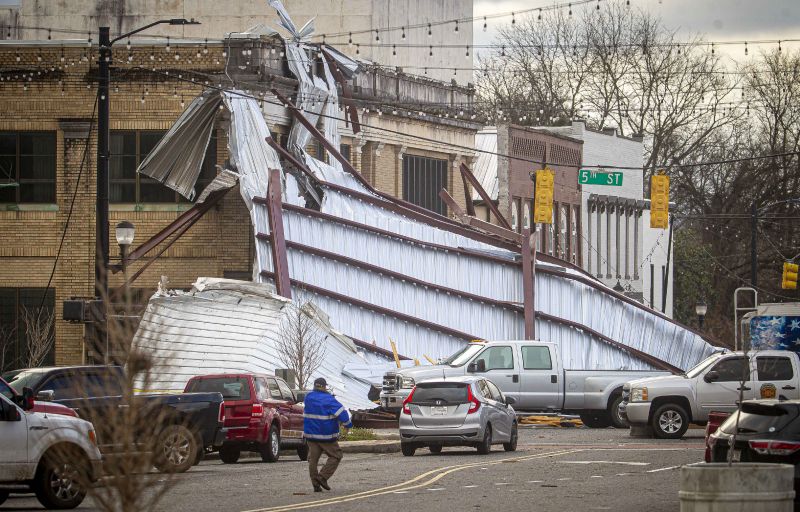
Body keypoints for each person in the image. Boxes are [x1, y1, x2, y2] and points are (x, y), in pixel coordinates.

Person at [303, 377, 352, 492]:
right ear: (324, 387)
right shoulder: (328, 399)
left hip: (310, 435)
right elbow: (342, 413)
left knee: (313, 459)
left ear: (315, 386)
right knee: (336, 455)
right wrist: (348, 425)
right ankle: (322, 477)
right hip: (326, 436)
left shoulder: (308, 397)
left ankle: (315, 484)